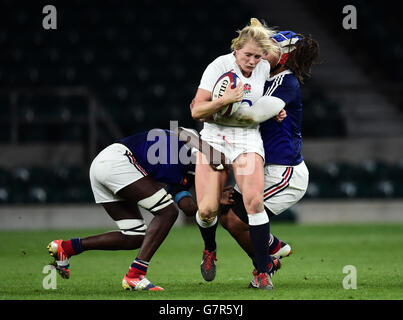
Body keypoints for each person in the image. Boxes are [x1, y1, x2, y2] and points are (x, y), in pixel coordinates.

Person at [47, 128, 227, 291]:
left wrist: (214, 203)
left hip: (104, 165)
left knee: (135, 236)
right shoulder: (188, 146)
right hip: (118, 161)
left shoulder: (185, 170)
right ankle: (135, 275)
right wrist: (210, 154)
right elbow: (181, 131)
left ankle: (67, 248)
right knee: (167, 212)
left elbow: (187, 208)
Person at [219, 30, 320, 288]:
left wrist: (218, 111)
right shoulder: (257, 76)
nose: (266, 45)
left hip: (284, 171)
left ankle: (263, 267)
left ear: (285, 57)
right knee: (225, 216)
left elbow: (250, 117)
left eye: (274, 44)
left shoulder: (286, 83)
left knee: (239, 218)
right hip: (259, 167)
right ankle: (270, 256)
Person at [190, 18, 282, 289]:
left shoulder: (265, 65)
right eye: (248, 55)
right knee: (207, 210)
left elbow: (279, 49)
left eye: (258, 55)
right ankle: (210, 249)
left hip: (246, 138)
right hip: (213, 139)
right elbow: (196, 111)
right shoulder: (218, 66)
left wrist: (272, 109)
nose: (253, 61)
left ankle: (261, 271)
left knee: (254, 202)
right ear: (236, 49)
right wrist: (224, 100)